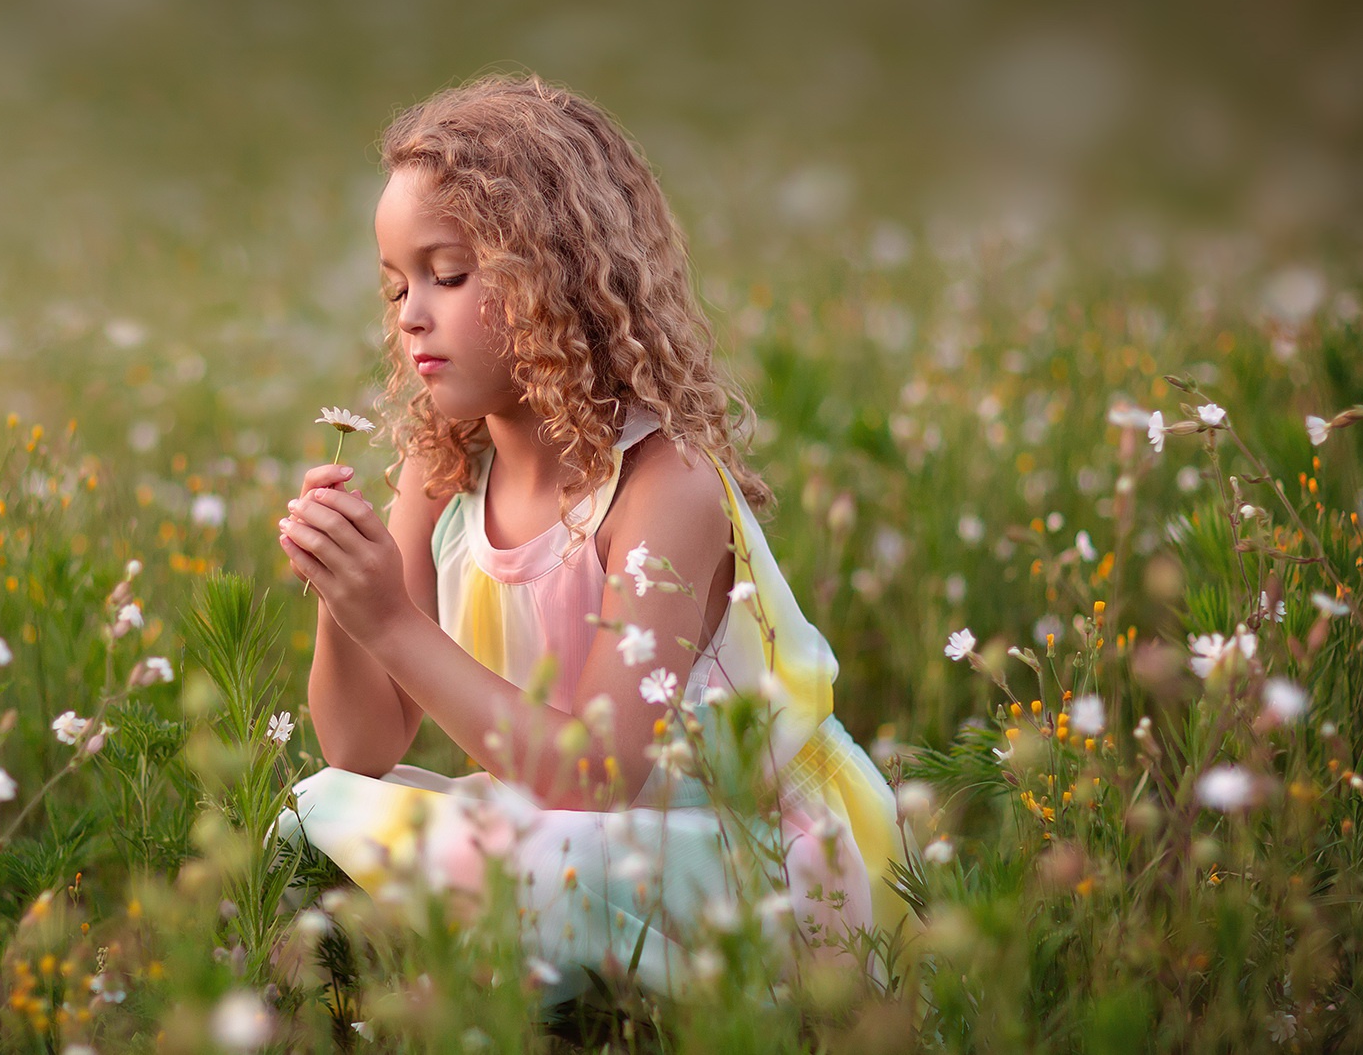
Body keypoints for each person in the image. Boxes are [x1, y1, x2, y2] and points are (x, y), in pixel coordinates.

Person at [275, 75, 913, 1002]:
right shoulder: (441, 465)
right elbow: (360, 744)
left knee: (537, 876)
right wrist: (349, 602)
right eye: (397, 284)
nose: (412, 312)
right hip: (577, 835)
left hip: (738, 853)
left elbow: (599, 774)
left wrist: (393, 621)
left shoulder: (665, 484)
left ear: (555, 275)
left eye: (448, 274)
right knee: (311, 813)